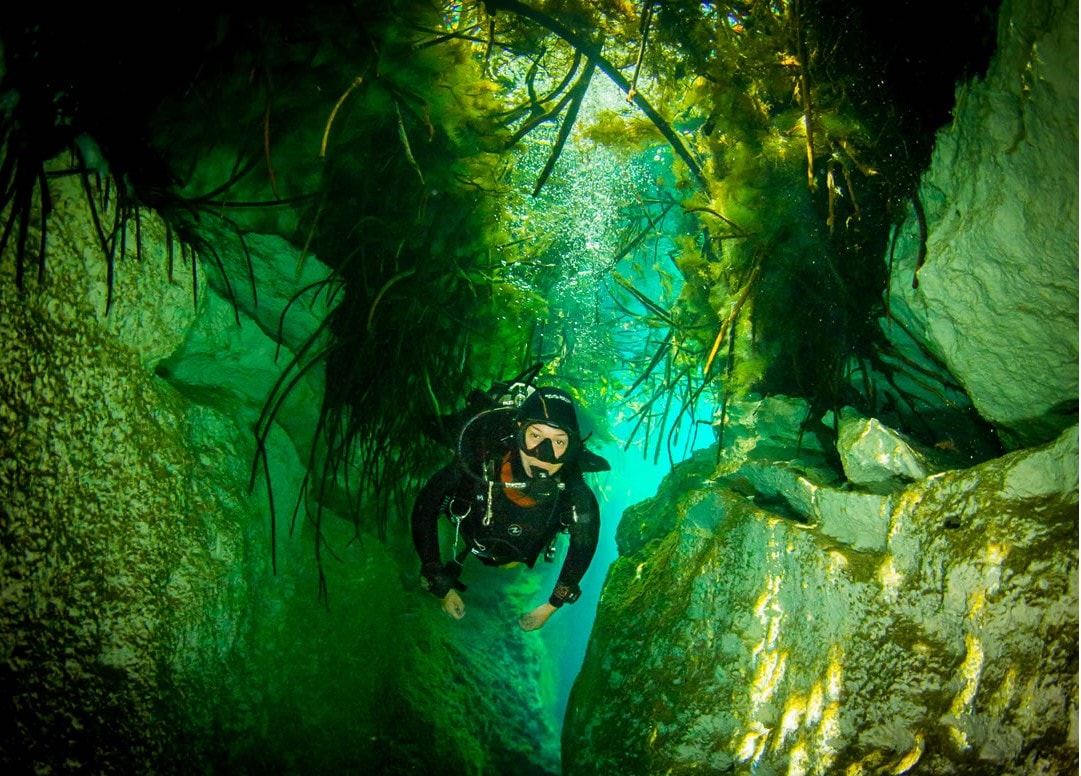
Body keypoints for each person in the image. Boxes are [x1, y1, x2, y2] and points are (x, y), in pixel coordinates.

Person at [410, 384, 606, 631]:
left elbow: (584, 546)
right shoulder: (479, 462)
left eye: (559, 441)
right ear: (519, 433)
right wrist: (437, 579)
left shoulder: (575, 494)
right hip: (472, 534)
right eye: (535, 436)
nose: (543, 454)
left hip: (516, 555)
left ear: (571, 448)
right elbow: (426, 506)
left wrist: (551, 606)